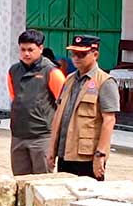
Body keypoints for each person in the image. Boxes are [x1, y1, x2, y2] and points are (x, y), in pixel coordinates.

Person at [47, 35, 120, 181]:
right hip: (65, 153)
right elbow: (59, 114)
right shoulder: (69, 79)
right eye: (73, 54)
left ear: (95, 54)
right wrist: (51, 150)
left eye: (82, 54)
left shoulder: (105, 82)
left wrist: (100, 154)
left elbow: (109, 120)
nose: (76, 58)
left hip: (87, 156)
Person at [8, 29, 66, 175]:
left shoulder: (52, 72)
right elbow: (14, 98)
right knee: (20, 182)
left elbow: (64, 104)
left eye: (30, 49)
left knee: (42, 183)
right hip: (18, 136)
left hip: (42, 137)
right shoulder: (13, 71)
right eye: (23, 49)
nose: (26, 53)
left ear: (40, 48)